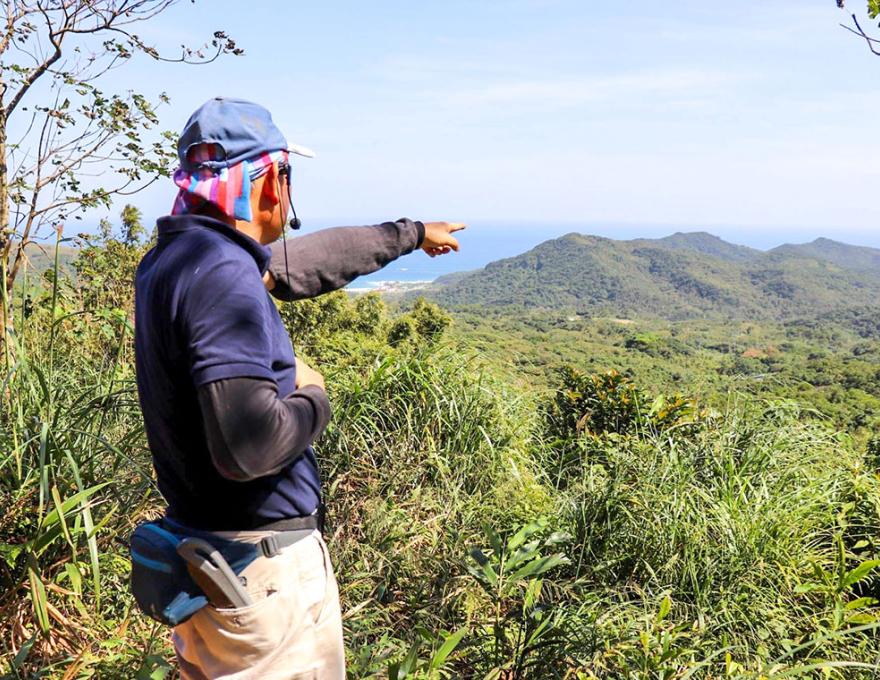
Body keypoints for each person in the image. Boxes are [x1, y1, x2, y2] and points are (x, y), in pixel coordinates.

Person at [133, 97, 464, 679]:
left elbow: (297, 263)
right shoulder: (221, 275)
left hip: (213, 563)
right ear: (271, 181)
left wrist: (410, 234)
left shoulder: (177, 259)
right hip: (260, 575)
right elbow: (249, 450)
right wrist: (315, 394)